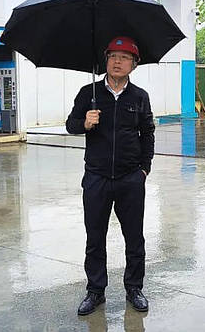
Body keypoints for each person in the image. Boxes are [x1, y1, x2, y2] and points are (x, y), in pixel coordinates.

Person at [66, 36, 155, 315]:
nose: (118, 62)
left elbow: (148, 132)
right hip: (97, 177)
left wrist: (144, 168)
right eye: (113, 56)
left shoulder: (139, 97)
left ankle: (134, 288)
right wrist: (85, 123)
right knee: (95, 237)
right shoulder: (88, 93)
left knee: (134, 238)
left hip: (131, 178)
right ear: (105, 60)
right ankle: (95, 291)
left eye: (125, 57)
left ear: (134, 64)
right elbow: (70, 125)